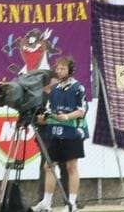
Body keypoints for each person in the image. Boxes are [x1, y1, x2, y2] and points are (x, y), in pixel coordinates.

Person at [33, 56, 86, 212]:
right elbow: (50, 110)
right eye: (58, 68)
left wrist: (67, 117)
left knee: (71, 167)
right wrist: (43, 118)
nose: (59, 71)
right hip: (55, 132)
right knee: (48, 166)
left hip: (72, 131)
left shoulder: (78, 87)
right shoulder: (54, 89)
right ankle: (46, 203)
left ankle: (71, 203)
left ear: (70, 70)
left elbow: (81, 111)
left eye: (62, 68)